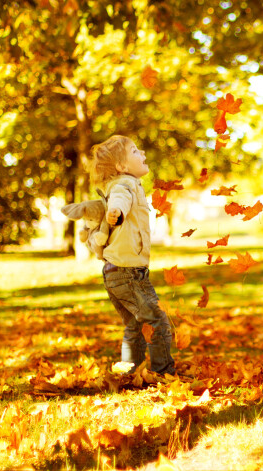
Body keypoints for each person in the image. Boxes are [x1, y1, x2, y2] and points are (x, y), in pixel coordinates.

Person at [89, 135, 175, 376]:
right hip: (127, 273)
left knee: (134, 326)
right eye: (136, 152)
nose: (143, 154)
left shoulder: (127, 183)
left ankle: (130, 374)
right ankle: (163, 374)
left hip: (117, 271)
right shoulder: (124, 185)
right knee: (158, 320)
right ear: (122, 167)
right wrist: (116, 211)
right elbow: (120, 200)